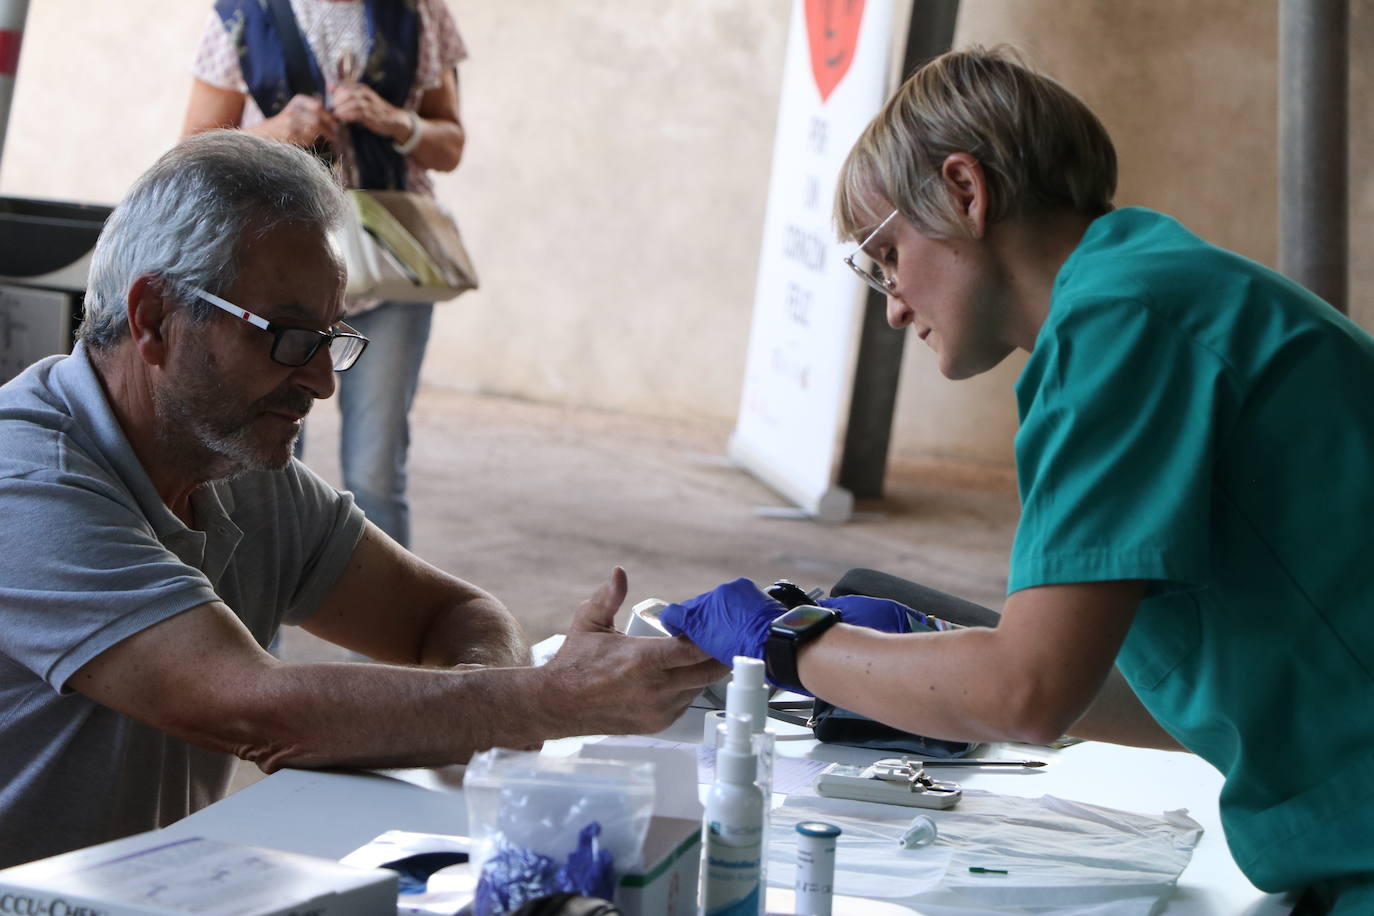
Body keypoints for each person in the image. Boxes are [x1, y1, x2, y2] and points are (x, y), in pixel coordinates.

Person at [659, 47, 1374, 913]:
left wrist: (790, 644)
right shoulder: (1155, 288)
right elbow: (1197, 698)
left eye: (885, 256)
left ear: (965, 190)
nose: (890, 303)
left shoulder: (1118, 328)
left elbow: (1026, 693)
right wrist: (913, 661)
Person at [0, 130, 722, 870]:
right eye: (286, 338)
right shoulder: (25, 482)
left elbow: (454, 614)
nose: (320, 382)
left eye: (328, 338)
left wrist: (485, 698)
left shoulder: (235, 464)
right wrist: (541, 699)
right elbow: (251, 706)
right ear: (153, 318)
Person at [182, 0, 468, 548]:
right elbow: (195, 147)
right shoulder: (242, 12)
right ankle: (252, 631)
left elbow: (450, 143)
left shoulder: (423, 10)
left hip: (390, 269)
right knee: (257, 465)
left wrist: (396, 122)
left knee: (376, 471)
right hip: (270, 270)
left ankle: (391, 627)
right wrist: (277, 129)